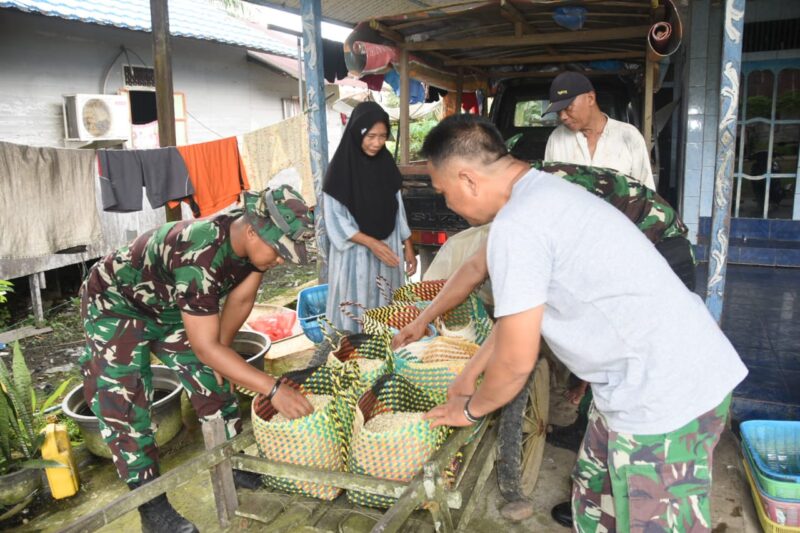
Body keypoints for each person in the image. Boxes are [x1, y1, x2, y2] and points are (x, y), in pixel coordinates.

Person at [417, 115, 747, 532]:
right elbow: (517, 322)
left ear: (467, 179)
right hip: (637, 383)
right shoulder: (542, 191)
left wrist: (472, 408)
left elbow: (518, 363)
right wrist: (468, 375)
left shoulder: (519, 225)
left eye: (444, 193)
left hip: (663, 394)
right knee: (591, 507)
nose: (448, 205)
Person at [79, 185, 316, 533]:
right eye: (279, 251)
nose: (281, 259)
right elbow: (205, 347)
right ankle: (152, 507)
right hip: (115, 306)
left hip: (172, 307)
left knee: (213, 382)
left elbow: (240, 301)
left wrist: (219, 353)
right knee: (125, 405)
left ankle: (231, 464)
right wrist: (273, 388)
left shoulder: (252, 247)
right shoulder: (199, 256)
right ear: (252, 231)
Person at [323, 101, 417, 332]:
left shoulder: (386, 165)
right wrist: (371, 243)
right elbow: (336, 220)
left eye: (383, 136)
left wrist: (408, 245)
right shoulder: (339, 172)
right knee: (356, 304)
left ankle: (385, 345)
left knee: (387, 303)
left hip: (388, 247)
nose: (377, 143)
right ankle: (353, 347)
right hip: (356, 254)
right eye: (371, 136)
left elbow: (398, 208)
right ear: (357, 132)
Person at [544, 71, 656, 190]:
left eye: (568, 107)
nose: (563, 117)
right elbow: (550, 189)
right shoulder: (556, 138)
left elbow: (647, 193)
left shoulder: (629, 136)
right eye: (558, 111)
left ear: (590, 98)